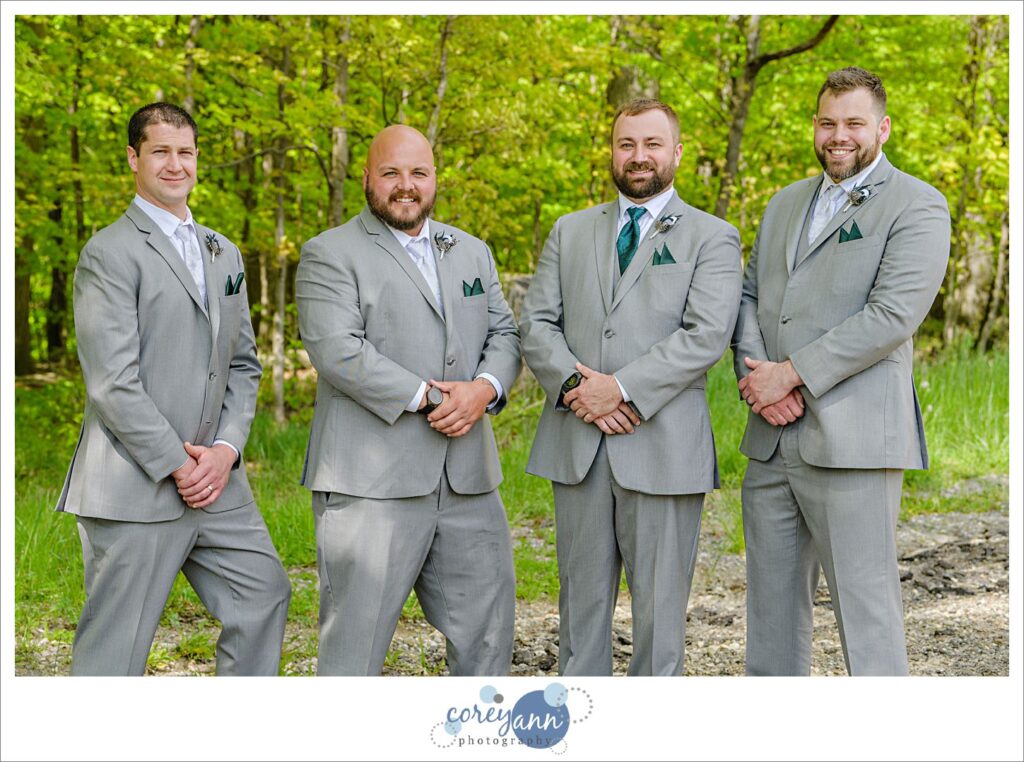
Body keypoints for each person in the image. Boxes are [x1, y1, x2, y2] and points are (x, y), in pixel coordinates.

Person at [56, 102, 291, 675]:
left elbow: (243, 364)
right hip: (136, 482)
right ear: (133, 158)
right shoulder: (109, 253)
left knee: (264, 594)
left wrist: (225, 451)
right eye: (160, 151)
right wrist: (179, 464)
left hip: (218, 482)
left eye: (185, 152)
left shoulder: (223, 251)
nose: (174, 164)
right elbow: (112, 382)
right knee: (116, 650)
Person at [732, 66, 951, 675]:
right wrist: (760, 383)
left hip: (855, 438)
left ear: (882, 128)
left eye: (854, 123)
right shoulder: (784, 204)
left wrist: (790, 374)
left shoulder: (918, 204)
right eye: (828, 123)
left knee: (866, 613)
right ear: (814, 126)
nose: (839, 136)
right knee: (771, 616)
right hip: (771, 436)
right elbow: (749, 297)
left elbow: (891, 316)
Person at [519, 98, 742, 676]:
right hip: (578, 445)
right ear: (612, 152)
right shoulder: (570, 231)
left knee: (660, 619)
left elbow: (706, 335)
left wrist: (619, 389)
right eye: (626, 144)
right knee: (580, 613)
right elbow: (536, 324)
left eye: (652, 144)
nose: (638, 156)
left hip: (664, 447)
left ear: (677, 152)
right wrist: (579, 388)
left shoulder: (713, 237)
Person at [295, 124, 521, 676]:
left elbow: (505, 334)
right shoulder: (330, 253)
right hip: (371, 485)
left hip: (468, 481)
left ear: (434, 178)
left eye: (418, 173)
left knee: (488, 638)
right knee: (354, 650)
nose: (406, 185)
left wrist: (484, 390)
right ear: (366, 177)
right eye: (391, 173)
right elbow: (338, 351)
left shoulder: (471, 251)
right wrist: (430, 397)